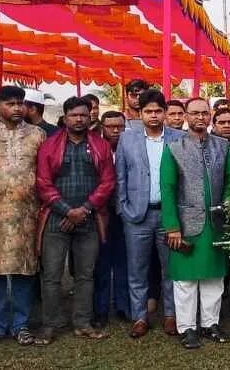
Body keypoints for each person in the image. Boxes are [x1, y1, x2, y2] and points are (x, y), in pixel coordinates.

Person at [35, 96, 115, 345]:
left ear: (90, 117)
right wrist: (67, 211)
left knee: (85, 275)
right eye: (74, 115)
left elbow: (107, 182)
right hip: (55, 219)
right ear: (65, 117)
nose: (79, 119)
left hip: (89, 219)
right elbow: (43, 183)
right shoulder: (49, 145)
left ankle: (82, 323)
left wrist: (84, 209)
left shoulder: (100, 145)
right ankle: (49, 325)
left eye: (83, 115)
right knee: (52, 275)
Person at [161, 97, 230, 349]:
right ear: (186, 116)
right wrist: (172, 227)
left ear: (210, 115)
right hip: (185, 225)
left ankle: (210, 324)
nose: (200, 117)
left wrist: (228, 202)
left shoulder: (222, 146)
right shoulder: (174, 147)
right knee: (185, 280)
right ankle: (187, 328)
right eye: (195, 113)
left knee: (213, 278)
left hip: (216, 223)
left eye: (204, 113)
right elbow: (167, 189)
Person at [115, 90, 185, 338]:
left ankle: (171, 315)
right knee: (137, 269)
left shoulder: (179, 138)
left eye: (158, 111)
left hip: (169, 215)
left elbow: (185, 178)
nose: (153, 115)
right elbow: (120, 177)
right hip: (137, 216)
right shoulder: (127, 139)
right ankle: (140, 317)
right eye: (148, 111)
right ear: (140, 113)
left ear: (165, 112)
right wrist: (123, 208)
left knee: (171, 269)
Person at [0, 86, 45, 345]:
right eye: (10, 104)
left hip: (27, 215)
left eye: (20, 103)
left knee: (25, 270)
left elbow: (45, 173)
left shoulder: (37, 135)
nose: (17, 108)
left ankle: (20, 324)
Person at [93, 111, 130, 329]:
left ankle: (123, 305)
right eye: (110, 127)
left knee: (124, 261)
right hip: (100, 213)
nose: (116, 130)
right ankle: (100, 310)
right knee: (102, 263)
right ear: (102, 127)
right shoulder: (95, 148)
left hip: (126, 213)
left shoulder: (131, 147)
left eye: (120, 126)